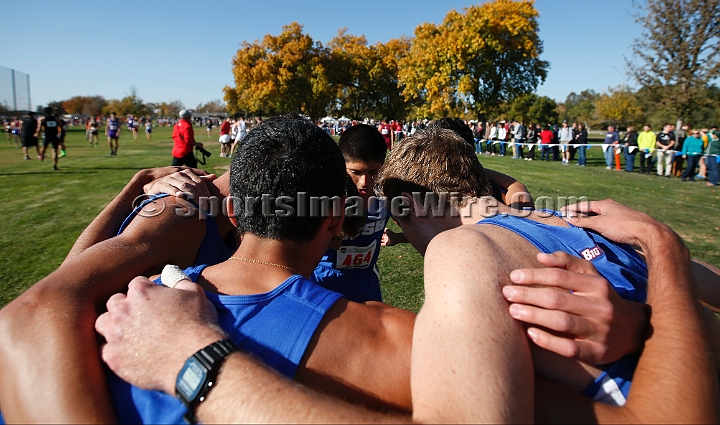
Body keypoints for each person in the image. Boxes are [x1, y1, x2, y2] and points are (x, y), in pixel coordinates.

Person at [1, 120, 678, 423]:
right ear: (336, 217)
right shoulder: (396, 343)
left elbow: (35, 307)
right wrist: (643, 321)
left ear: (234, 209)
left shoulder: (118, 310)